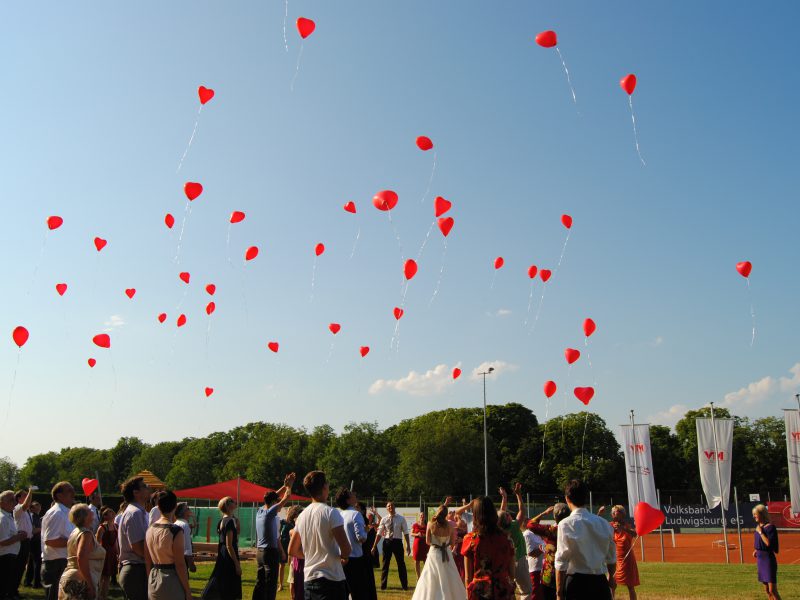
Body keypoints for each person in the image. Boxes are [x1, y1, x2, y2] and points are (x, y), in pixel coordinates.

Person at [287, 470, 351, 600]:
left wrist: (313, 556)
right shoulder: (331, 513)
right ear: (324, 487)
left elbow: (292, 550)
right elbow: (346, 548)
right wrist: (344, 557)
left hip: (310, 580)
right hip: (331, 580)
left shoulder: (302, 516)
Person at [554, 480, 616, 600]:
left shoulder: (565, 524)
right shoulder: (604, 524)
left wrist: (559, 593)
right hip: (600, 584)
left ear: (567, 499)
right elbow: (611, 558)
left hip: (576, 585)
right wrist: (611, 578)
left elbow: (561, 561)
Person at [252, 473, 296, 600]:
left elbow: (273, 496)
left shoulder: (261, 510)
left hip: (260, 552)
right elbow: (287, 497)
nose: (278, 502)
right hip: (270, 552)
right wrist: (289, 486)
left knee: (260, 582)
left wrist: (284, 485)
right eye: (276, 501)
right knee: (271, 584)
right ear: (273, 502)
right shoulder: (270, 512)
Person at [461, 496, 515, 600]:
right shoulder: (507, 539)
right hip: (503, 591)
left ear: (476, 515)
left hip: (480, 592)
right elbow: (512, 574)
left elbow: (468, 577)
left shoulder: (470, 540)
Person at [144, 491, 192, 600]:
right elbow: (180, 564)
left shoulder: (150, 529)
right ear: (175, 506)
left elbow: (147, 559)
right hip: (171, 579)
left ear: (158, 507)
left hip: (154, 577)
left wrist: (150, 579)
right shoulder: (175, 530)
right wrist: (188, 591)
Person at [411, 504, 465, 599]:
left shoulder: (430, 524)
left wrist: (437, 543)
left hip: (434, 552)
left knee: (430, 576)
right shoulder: (450, 526)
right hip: (446, 552)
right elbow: (452, 543)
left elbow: (428, 541)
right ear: (445, 515)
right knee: (449, 575)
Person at [57, 503, 106, 600]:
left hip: (71, 576)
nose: (92, 512)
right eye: (89, 511)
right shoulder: (85, 534)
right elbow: (82, 557)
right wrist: (89, 583)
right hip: (80, 580)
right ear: (85, 516)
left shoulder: (75, 531)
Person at [41, 482, 76, 600]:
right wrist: (76, 542)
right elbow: (51, 541)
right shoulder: (57, 513)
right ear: (59, 496)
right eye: (69, 491)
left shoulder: (65, 512)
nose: (73, 493)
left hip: (62, 561)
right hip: (55, 563)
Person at [527, 504, 570, 600]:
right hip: (568, 572)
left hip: (549, 572)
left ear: (555, 517)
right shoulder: (573, 529)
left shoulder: (552, 530)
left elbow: (530, 524)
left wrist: (544, 513)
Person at [118, 476, 150, 600]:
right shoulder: (135, 513)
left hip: (137, 569)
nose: (148, 488)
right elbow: (138, 547)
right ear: (136, 493)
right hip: (136, 571)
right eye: (144, 486)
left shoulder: (139, 512)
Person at [498, 483, 532, 600]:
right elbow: (522, 510)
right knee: (526, 590)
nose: (508, 514)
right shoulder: (513, 526)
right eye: (507, 515)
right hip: (519, 559)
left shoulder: (499, 529)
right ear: (507, 519)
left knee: (508, 588)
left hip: (506, 560)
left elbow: (500, 514)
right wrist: (518, 495)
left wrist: (504, 498)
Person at [203, 497, 241, 600]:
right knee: (229, 584)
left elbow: (235, 535)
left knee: (222, 580)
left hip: (223, 553)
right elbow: (229, 545)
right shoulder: (228, 522)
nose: (235, 502)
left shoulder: (223, 520)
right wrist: (237, 564)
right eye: (232, 501)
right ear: (228, 506)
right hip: (229, 555)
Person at [597, 505, 639, 600]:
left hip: (627, 559)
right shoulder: (610, 525)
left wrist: (623, 528)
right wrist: (599, 513)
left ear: (622, 514)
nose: (613, 513)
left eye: (616, 511)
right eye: (613, 512)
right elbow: (596, 524)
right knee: (611, 584)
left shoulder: (627, 526)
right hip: (613, 558)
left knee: (630, 586)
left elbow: (635, 534)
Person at [335, 488, 368, 600]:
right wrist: (366, 532)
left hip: (341, 558)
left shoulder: (339, 515)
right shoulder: (356, 514)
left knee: (344, 591)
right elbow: (361, 538)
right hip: (355, 558)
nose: (354, 494)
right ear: (348, 500)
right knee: (358, 592)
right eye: (351, 494)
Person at [371, 500, 410, 591]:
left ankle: (405, 586)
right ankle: (383, 586)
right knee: (385, 564)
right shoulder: (384, 519)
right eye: (388, 506)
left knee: (401, 564)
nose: (390, 507)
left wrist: (408, 545)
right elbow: (379, 534)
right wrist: (373, 546)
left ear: (394, 507)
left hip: (397, 542)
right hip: (387, 542)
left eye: (392, 506)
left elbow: (406, 532)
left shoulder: (401, 519)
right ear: (386, 508)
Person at [752, 504, 781, 600]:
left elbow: (769, 543)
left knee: (773, 591)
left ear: (762, 514)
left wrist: (761, 532)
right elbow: (760, 542)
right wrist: (756, 550)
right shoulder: (758, 527)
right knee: (768, 591)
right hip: (760, 560)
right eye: (753, 514)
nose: (754, 516)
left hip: (768, 560)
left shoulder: (770, 527)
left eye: (755, 514)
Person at [1, 490, 26, 600]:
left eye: (14, 500)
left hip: (10, 556)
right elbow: (2, 541)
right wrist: (18, 537)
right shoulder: (2, 518)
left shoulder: (8, 516)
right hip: (4, 557)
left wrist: (17, 535)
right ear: (1, 502)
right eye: (11, 500)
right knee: (3, 586)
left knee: (7, 585)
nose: (14, 502)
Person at [12, 488, 34, 598]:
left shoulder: (25, 511)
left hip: (26, 541)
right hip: (21, 541)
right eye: (24, 496)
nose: (28, 498)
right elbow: (25, 505)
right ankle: (12, 590)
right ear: (18, 498)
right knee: (18, 567)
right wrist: (30, 491)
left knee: (21, 567)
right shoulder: (17, 508)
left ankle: (14, 589)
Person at [95, 507, 118, 600]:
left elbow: (116, 541)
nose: (112, 514)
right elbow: (97, 542)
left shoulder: (116, 526)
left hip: (112, 553)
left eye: (112, 512)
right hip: (104, 553)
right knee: (102, 576)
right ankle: (99, 595)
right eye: (109, 513)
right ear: (105, 516)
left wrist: (117, 552)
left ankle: (105, 595)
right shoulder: (102, 527)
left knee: (108, 575)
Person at [356, 503, 378, 600]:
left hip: (364, 551)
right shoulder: (358, 519)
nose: (354, 509)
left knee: (367, 576)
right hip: (361, 551)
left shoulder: (363, 520)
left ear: (362, 510)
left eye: (357, 507)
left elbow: (363, 536)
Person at [279, 507, 300, 592]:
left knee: (292, 564)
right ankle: (281, 584)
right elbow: (278, 534)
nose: (288, 513)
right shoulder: (282, 522)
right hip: (283, 545)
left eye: (290, 511)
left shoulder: (293, 524)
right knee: (282, 565)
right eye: (287, 511)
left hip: (291, 545)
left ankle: (292, 583)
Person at [522, 526, 545, 600]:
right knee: (534, 594)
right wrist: (545, 548)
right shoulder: (527, 534)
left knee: (540, 594)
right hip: (534, 568)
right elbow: (530, 553)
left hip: (541, 568)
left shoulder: (536, 533)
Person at [25, 501, 43, 589]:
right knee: (37, 562)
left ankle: (27, 581)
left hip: (34, 541)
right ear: (32, 508)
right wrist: (42, 528)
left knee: (32, 562)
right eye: (36, 505)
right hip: (34, 542)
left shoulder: (35, 516)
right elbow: (33, 530)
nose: (39, 506)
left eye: (39, 505)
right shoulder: (33, 516)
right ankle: (36, 583)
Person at [174, 504, 195, 574]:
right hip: (183, 561)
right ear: (184, 512)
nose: (189, 510)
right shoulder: (184, 525)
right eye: (187, 508)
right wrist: (191, 564)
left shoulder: (176, 523)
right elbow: (187, 548)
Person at [410, 512, 429, 579]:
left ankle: (426, 577)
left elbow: (430, 535)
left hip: (425, 545)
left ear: (425, 517)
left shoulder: (427, 525)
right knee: (416, 561)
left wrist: (425, 535)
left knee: (426, 562)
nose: (422, 517)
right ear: (419, 516)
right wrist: (417, 534)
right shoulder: (415, 525)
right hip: (417, 545)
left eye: (423, 516)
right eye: (421, 515)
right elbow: (411, 533)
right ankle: (418, 577)